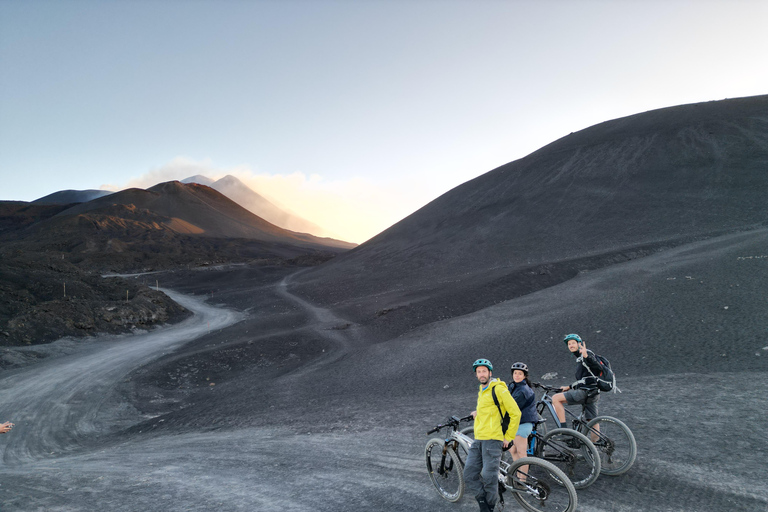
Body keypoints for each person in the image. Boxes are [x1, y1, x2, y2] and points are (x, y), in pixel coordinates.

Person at [465, 358, 521, 512]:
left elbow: (515, 412)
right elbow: (491, 409)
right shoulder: (482, 390)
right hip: (479, 439)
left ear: (490, 372)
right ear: (476, 375)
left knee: (489, 478)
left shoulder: (498, 389)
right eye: (479, 372)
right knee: (469, 474)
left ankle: (489, 507)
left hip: (493, 440)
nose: (481, 374)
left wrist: (509, 437)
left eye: (484, 371)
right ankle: (483, 502)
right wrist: (478, 412)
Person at [552, 333, 602, 428]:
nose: (571, 345)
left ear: (579, 344)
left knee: (555, 398)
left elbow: (597, 366)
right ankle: (596, 442)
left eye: (573, 343)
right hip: (593, 392)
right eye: (569, 344)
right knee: (592, 420)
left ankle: (563, 429)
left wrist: (587, 356)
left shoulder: (586, 354)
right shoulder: (580, 358)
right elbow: (584, 379)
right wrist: (569, 387)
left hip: (586, 392)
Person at [505, 362, 537, 477]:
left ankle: (522, 480)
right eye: (515, 373)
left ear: (524, 376)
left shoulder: (523, 391)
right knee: (512, 450)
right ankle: (518, 475)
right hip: (516, 423)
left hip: (522, 424)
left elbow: (510, 407)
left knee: (521, 453)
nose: (517, 375)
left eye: (520, 374)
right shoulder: (513, 386)